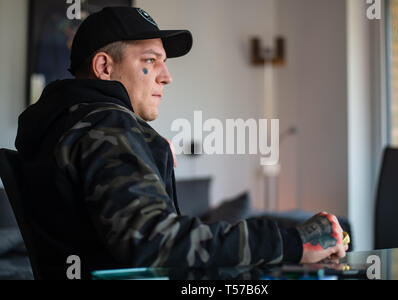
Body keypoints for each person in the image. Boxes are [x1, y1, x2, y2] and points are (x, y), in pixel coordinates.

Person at [15, 7, 348, 280]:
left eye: (164, 62)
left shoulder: (64, 126)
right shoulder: (108, 127)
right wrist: (293, 242)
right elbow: (160, 245)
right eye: (150, 61)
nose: (166, 75)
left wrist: (144, 150)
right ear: (104, 66)